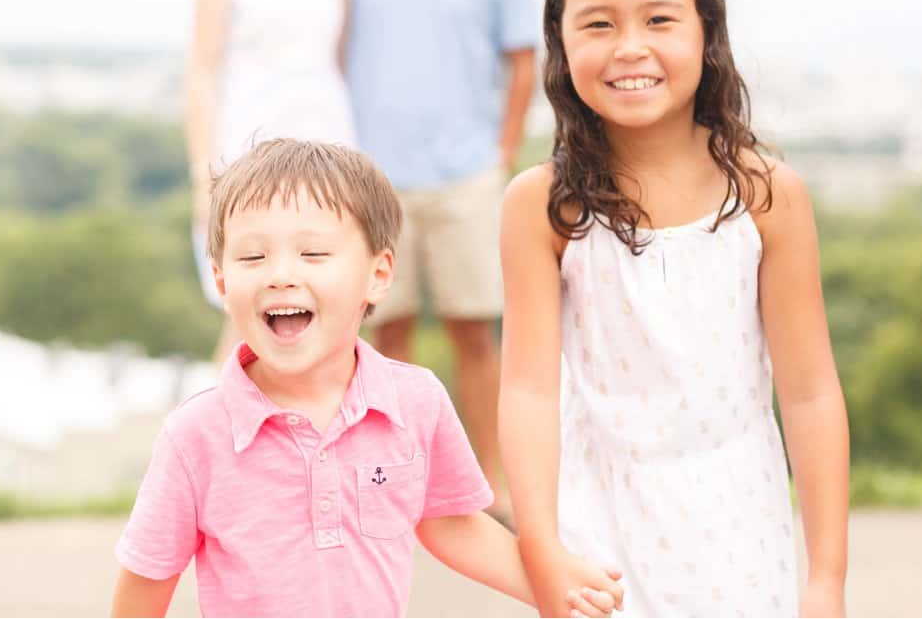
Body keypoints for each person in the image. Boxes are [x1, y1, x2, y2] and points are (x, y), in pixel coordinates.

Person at [498, 0, 850, 617]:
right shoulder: (541, 203)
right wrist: (541, 544)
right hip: (595, 518)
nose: (630, 48)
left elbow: (810, 392)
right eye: (598, 24)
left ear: (706, 32)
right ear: (560, 47)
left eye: (659, 20)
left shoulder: (768, 194)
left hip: (738, 521)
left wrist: (826, 580)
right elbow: (530, 391)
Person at [110, 139, 622, 617]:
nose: (281, 274)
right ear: (222, 281)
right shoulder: (194, 434)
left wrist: (559, 588)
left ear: (377, 274)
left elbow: (450, 523)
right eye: (252, 257)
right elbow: (147, 579)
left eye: (312, 254)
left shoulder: (415, 402)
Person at [345, 0, 538, 525]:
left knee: (472, 334)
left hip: (464, 174)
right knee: (382, 336)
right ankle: (389, 481)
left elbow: (523, 58)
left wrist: (501, 150)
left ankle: (489, 486)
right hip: (376, 177)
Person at [184, 0, 356, 366]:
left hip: (326, 157)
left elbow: (338, 65)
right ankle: (216, 447)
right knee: (244, 315)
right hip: (247, 153)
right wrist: (203, 174)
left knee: (325, 310)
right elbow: (202, 72)